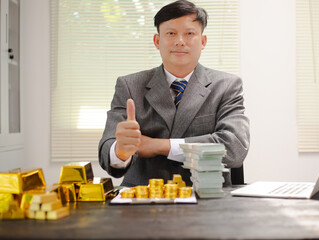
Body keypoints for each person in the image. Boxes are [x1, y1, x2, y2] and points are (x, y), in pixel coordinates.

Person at [98, 0, 250, 187]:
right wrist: (121, 151)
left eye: (189, 33)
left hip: (207, 201)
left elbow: (235, 148)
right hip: (143, 201)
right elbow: (107, 152)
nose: (180, 41)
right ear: (157, 41)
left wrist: (157, 146)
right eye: (171, 33)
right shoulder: (129, 85)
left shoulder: (227, 86)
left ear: (202, 42)